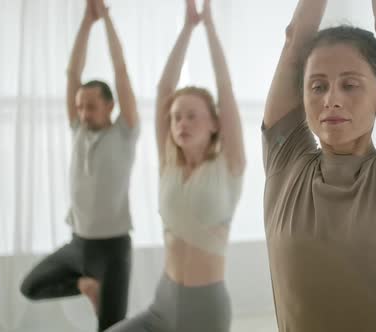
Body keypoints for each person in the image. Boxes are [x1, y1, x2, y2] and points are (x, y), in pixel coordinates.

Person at [262, 0, 376, 331]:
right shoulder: (284, 161)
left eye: (350, 84)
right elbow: (295, 39)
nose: (331, 98)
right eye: (317, 86)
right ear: (302, 97)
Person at [107, 0, 245, 331]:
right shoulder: (168, 166)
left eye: (192, 115)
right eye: (176, 117)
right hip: (162, 302)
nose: (181, 122)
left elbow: (225, 90)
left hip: (205, 310)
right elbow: (163, 90)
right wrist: (186, 29)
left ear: (215, 123)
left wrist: (209, 28)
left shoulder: (230, 166)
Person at [19, 0, 139, 330]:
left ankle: (97, 289)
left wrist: (108, 20)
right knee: (31, 286)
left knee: (112, 327)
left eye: (91, 107)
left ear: (110, 105)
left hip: (114, 251)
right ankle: (86, 285)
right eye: (80, 107)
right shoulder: (78, 131)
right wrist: (87, 23)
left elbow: (121, 72)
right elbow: (72, 73)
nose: (83, 114)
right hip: (78, 244)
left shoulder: (125, 132)